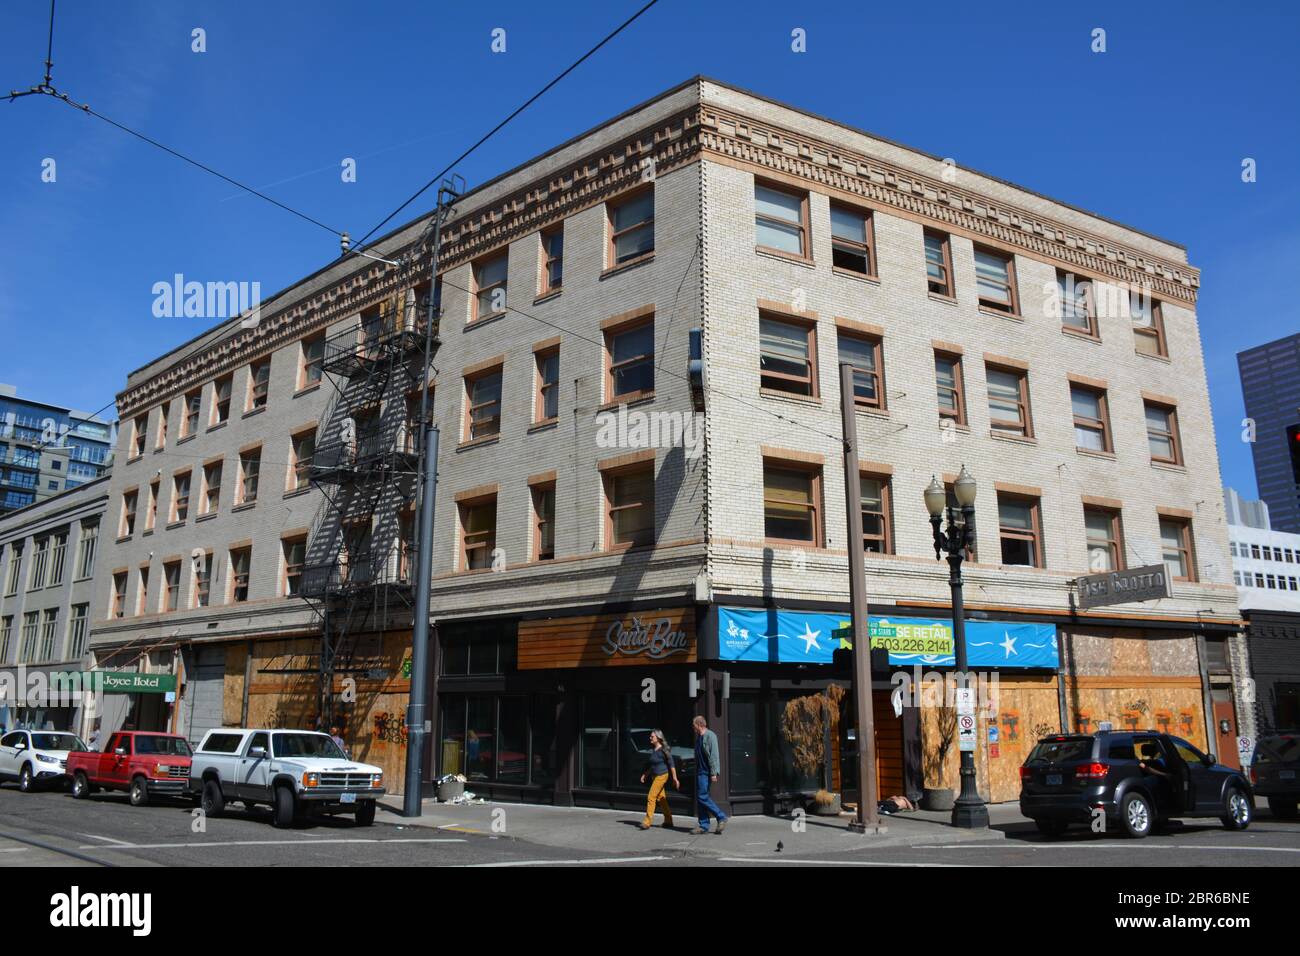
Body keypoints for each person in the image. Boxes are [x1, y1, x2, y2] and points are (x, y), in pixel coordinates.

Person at [691, 716, 727, 834]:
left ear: (699, 725)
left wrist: (714, 773)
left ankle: (721, 816)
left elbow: (714, 755)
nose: (693, 728)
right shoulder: (699, 738)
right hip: (700, 771)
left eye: (694, 725)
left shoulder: (710, 736)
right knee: (701, 798)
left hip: (707, 772)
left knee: (702, 796)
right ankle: (703, 825)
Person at [638, 729, 679, 830]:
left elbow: (672, 764)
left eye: (652, 737)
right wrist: (645, 774)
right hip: (655, 776)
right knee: (661, 799)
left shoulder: (664, 750)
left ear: (658, 738)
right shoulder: (654, 750)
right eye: (651, 736)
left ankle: (647, 822)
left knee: (651, 797)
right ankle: (668, 821)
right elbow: (653, 765)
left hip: (662, 776)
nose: (650, 738)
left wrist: (675, 778)